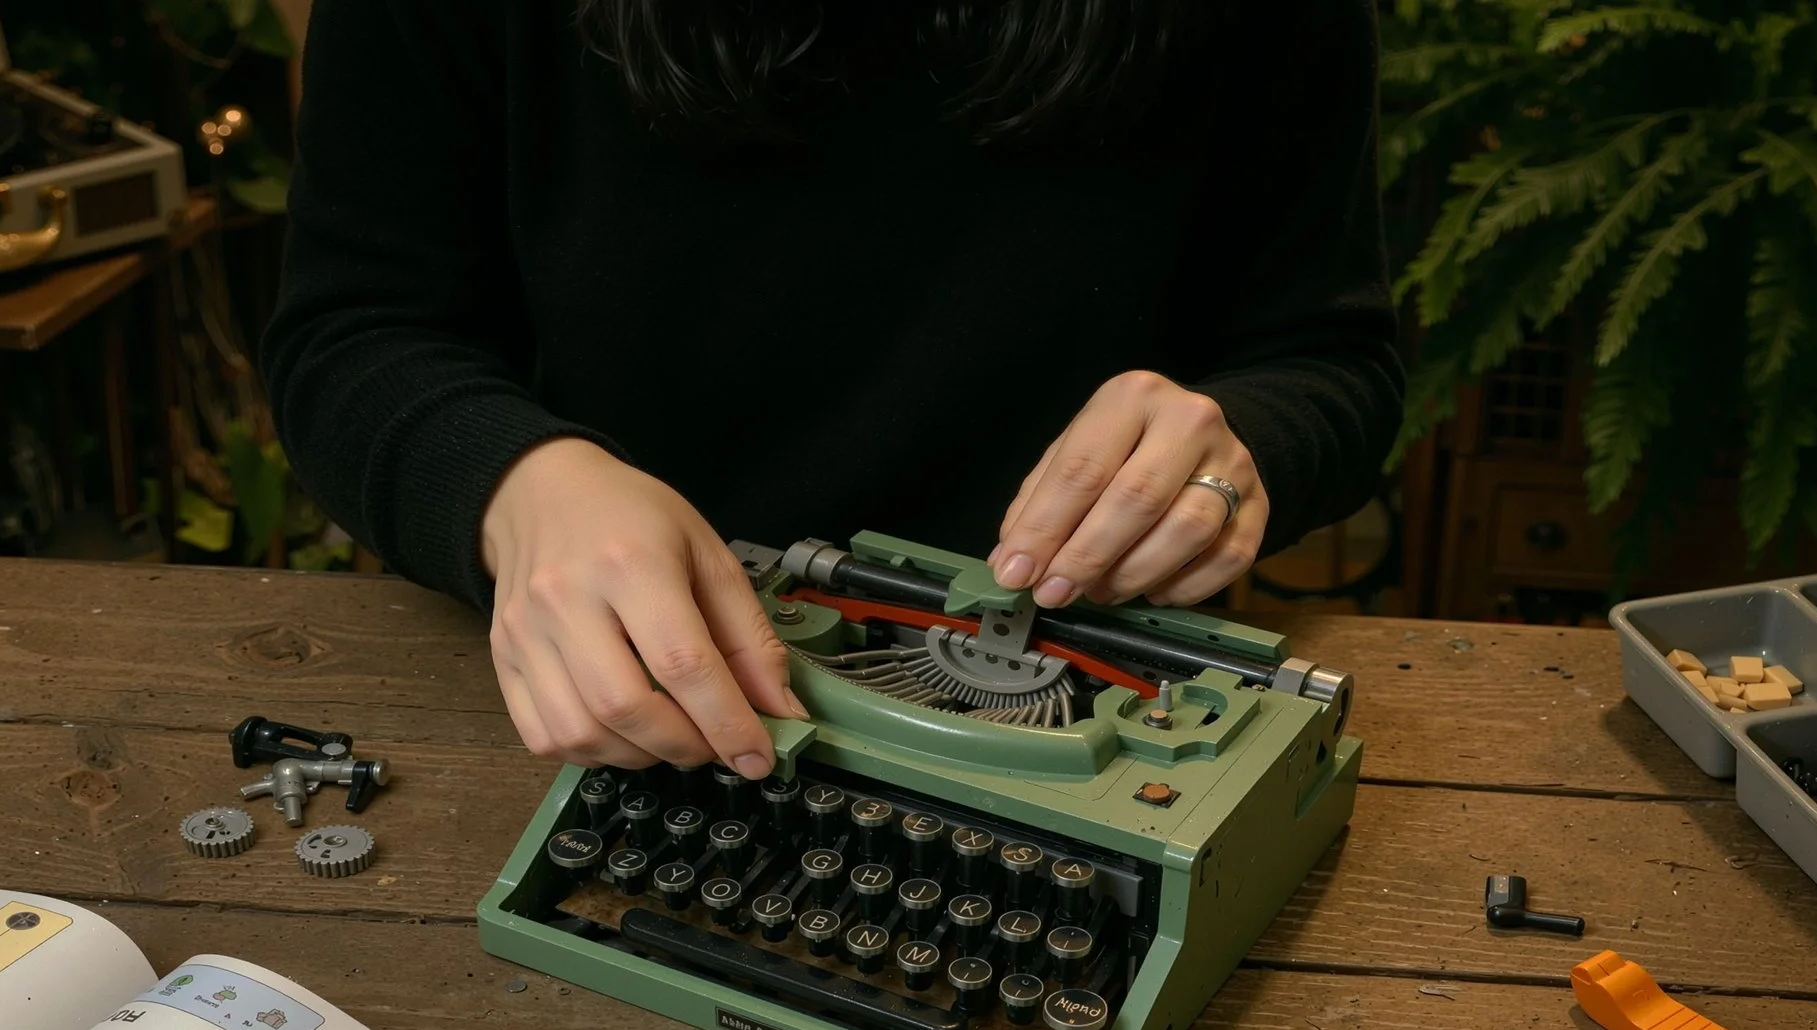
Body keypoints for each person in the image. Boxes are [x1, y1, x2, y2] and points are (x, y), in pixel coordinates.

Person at [265, 0, 1401, 779]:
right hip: (615, 696)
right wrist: (512, 483)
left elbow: (1327, 360)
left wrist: (1239, 448)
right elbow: (354, 330)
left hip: (1089, 688)